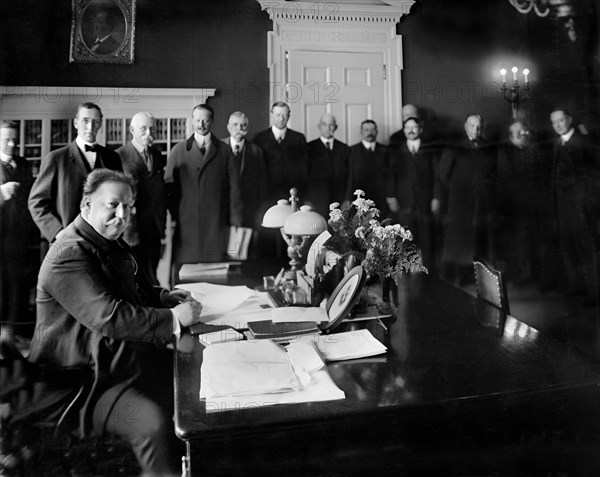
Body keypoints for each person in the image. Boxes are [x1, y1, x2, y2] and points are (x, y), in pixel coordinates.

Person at [28, 169, 203, 476]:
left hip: (115, 359)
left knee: (192, 373)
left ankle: (195, 461)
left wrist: (163, 297)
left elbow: (134, 290)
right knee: (150, 422)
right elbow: (110, 315)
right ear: (86, 205)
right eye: (113, 205)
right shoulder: (68, 253)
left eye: (128, 207)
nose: (122, 215)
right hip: (78, 381)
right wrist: (174, 318)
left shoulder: (107, 239)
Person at [165, 104, 242, 280]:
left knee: (216, 276)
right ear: (192, 121)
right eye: (198, 119)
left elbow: (234, 190)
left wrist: (235, 223)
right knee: (185, 277)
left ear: (212, 122)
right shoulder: (178, 151)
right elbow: (169, 189)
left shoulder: (224, 151)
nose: (201, 124)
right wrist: (179, 215)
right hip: (187, 226)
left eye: (206, 120)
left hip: (216, 224)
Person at [28, 102, 122, 244]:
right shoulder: (56, 158)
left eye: (95, 122)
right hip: (67, 244)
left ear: (100, 124)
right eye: (85, 121)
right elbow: (36, 202)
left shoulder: (112, 158)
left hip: (104, 242)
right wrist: (59, 233)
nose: (90, 127)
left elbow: (120, 198)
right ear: (76, 123)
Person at [439, 114, 497, 285]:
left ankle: (480, 278)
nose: (475, 130)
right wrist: (461, 189)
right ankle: (459, 277)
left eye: (478, 126)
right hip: (461, 202)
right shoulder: (454, 147)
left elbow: (493, 171)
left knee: (481, 239)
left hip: (482, 202)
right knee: (460, 241)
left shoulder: (488, 146)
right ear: (465, 127)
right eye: (472, 126)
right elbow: (444, 174)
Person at [549, 108, 599, 302]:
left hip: (582, 208)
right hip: (563, 208)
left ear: (569, 120)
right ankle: (576, 287)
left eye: (561, 120)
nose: (558, 124)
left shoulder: (584, 143)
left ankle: (593, 292)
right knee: (568, 248)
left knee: (586, 249)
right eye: (554, 122)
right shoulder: (557, 144)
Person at [117, 112, 167, 283]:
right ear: (132, 130)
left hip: (154, 226)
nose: (149, 133)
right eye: (143, 129)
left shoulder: (158, 156)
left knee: (152, 274)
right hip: (131, 229)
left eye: (152, 128)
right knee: (134, 278)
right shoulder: (119, 156)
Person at [387, 116, 442, 270]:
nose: (411, 130)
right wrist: (391, 196)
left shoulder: (430, 150)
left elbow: (437, 175)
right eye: (407, 127)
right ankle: (406, 271)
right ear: (404, 131)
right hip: (404, 201)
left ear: (420, 130)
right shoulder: (397, 151)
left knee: (427, 237)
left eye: (414, 127)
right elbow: (391, 175)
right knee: (405, 238)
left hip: (425, 201)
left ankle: (430, 272)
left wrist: (436, 197)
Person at [0, 120, 38, 338]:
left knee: (20, 286)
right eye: (7, 139)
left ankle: (17, 333)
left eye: (15, 139)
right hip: (0, 239)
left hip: (21, 238)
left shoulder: (23, 165)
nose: (13, 144)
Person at [495, 121, 542, 283]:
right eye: (518, 132)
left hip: (534, 205)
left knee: (533, 241)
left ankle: (533, 273)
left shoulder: (533, 152)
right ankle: (521, 273)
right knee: (517, 242)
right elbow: (504, 181)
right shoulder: (505, 154)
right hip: (513, 207)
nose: (522, 134)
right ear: (510, 136)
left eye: (524, 131)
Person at [221, 111, 267, 258]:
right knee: (225, 255)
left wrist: (259, 213)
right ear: (228, 127)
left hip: (249, 212)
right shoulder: (218, 148)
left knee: (247, 255)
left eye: (243, 125)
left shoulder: (256, 151)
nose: (239, 128)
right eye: (235, 125)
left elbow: (262, 185)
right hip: (224, 212)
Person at [254, 101, 309, 204]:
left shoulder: (299, 139)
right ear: (271, 114)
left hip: (293, 193)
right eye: (278, 115)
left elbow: (304, 169)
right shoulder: (259, 139)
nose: (281, 118)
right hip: (266, 194)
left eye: (284, 115)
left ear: (289, 115)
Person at [306, 114, 350, 218]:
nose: (328, 128)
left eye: (331, 125)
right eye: (324, 124)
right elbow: (303, 176)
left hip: (340, 200)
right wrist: (306, 199)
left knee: (338, 231)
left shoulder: (344, 149)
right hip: (315, 201)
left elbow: (350, 176)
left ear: (336, 127)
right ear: (319, 126)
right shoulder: (309, 148)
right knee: (320, 232)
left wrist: (347, 199)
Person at [346, 119, 390, 216]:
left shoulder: (385, 151)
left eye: (373, 130)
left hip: (381, 198)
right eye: (366, 130)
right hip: (359, 199)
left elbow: (390, 175)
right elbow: (349, 176)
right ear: (361, 132)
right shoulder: (352, 151)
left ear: (377, 132)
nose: (370, 133)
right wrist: (348, 198)